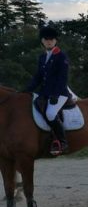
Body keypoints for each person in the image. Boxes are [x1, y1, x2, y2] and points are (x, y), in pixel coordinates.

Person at [24, 26, 71, 155]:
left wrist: (55, 94)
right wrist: (26, 90)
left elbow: (62, 78)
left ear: (56, 41)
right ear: (42, 41)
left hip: (60, 93)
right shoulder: (42, 57)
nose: (49, 41)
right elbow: (38, 77)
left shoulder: (61, 56)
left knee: (50, 114)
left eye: (51, 39)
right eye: (46, 39)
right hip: (45, 93)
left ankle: (63, 142)